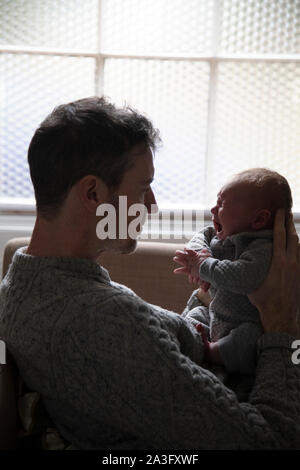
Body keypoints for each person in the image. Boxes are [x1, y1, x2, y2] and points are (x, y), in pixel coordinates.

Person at [0, 97, 299, 450]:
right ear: (93, 193)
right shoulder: (100, 321)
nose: (152, 205)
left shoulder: (25, 283)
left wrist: (208, 300)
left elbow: (164, 360)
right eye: (143, 188)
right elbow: (271, 440)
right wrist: (283, 327)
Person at [173, 169, 292, 375]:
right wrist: (200, 254)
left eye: (222, 204)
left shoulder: (263, 248)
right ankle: (181, 342)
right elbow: (201, 235)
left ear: (258, 220)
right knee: (195, 315)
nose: (213, 208)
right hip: (214, 315)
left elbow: (243, 276)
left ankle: (212, 352)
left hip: (245, 324)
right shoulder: (220, 234)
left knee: (250, 337)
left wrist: (205, 266)